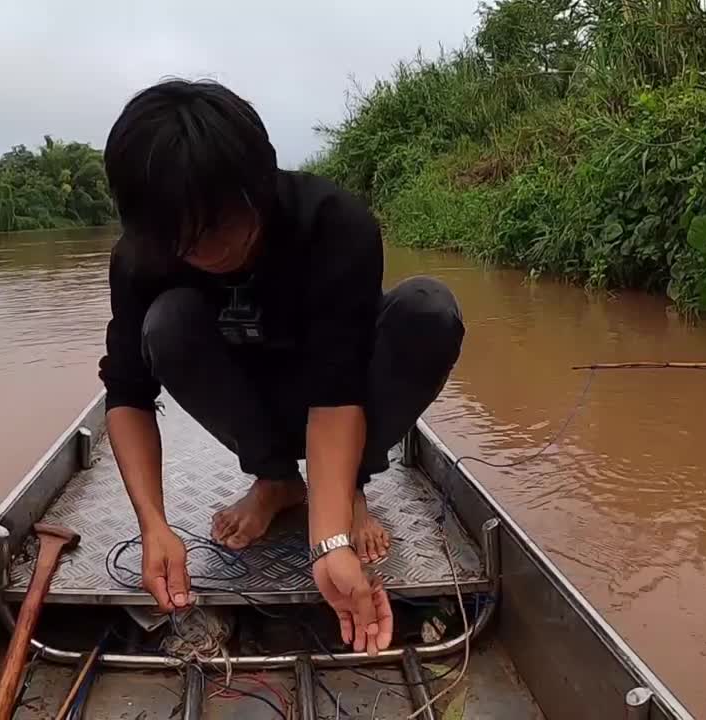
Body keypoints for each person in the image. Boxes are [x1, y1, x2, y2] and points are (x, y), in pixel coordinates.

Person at [98, 78, 464, 655]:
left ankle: (348, 488)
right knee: (164, 324)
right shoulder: (143, 258)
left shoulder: (333, 223)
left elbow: (339, 386)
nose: (207, 251)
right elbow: (126, 396)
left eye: (220, 225)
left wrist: (329, 542)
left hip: (337, 389)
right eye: (183, 239)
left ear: (259, 183)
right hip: (249, 395)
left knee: (429, 311)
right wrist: (155, 526)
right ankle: (275, 480)